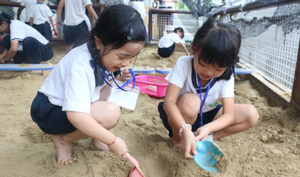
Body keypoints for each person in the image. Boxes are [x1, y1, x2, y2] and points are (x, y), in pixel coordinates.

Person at [30, 4, 147, 165]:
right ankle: (64, 139)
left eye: (132, 57)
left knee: (110, 105)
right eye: (122, 56)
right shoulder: (81, 64)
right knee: (110, 112)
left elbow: (100, 93)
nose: (126, 63)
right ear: (99, 42)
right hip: (49, 111)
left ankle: (96, 141)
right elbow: (76, 115)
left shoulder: (101, 56)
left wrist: (117, 78)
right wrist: (112, 141)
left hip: (67, 107)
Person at [158, 18, 259, 158]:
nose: (209, 72)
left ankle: (205, 139)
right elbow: (168, 102)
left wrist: (209, 129)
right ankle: (178, 140)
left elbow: (229, 115)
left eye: (218, 69)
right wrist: (184, 129)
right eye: (204, 64)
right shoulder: (184, 64)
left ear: (228, 64)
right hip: (179, 118)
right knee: (190, 102)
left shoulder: (227, 74)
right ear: (193, 49)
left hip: (207, 116)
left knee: (251, 114)